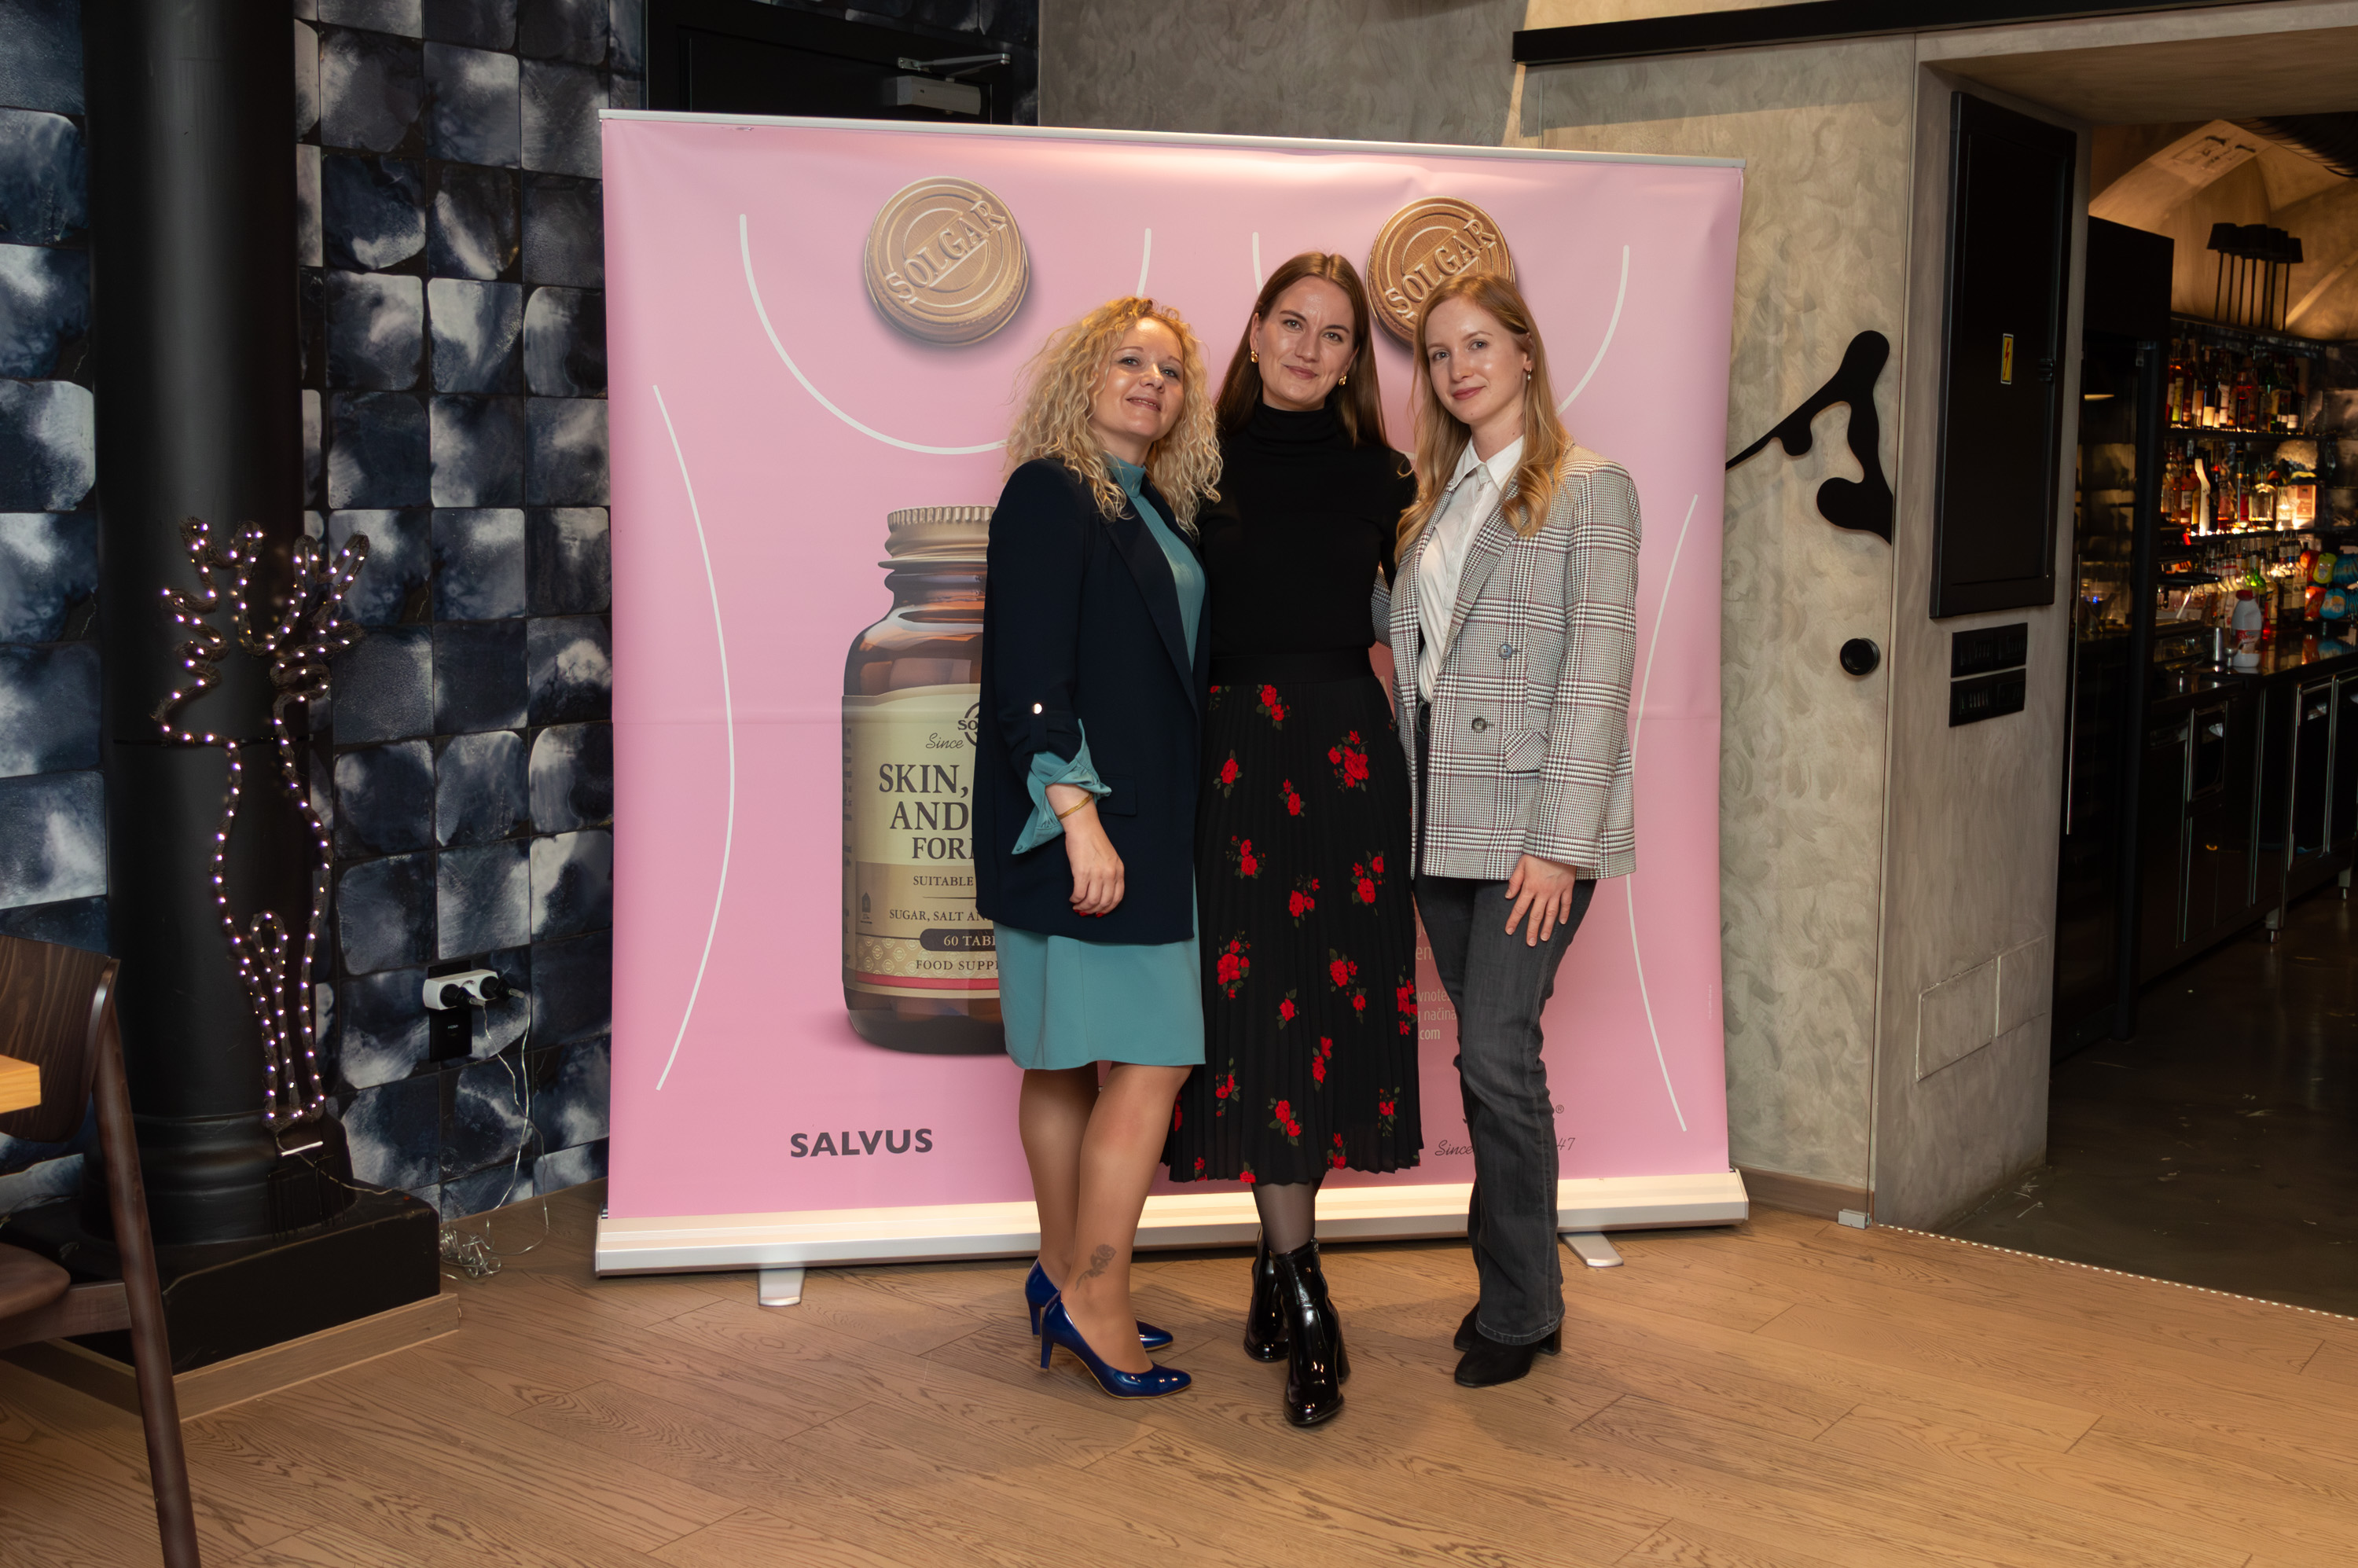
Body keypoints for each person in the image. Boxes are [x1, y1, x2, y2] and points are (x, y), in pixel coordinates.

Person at [1163, 252, 1420, 1428]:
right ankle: (1305, 1289)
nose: (1311, 349)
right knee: (1258, 1014)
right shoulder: (1191, 462)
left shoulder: (1388, 475)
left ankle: (1279, 1265)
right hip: (1230, 757)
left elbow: (1427, 624)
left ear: (1353, 356)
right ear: (1257, 331)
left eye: (1336, 333)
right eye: (1293, 323)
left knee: (1330, 1009)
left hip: (1351, 757)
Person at [1385, 272, 1640, 1389]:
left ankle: (1524, 1309)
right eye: (1440, 354)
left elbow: (1598, 671)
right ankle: (1513, 1283)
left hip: (1533, 827)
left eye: (1479, 344)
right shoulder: (1434, 502)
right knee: (1485, 1061)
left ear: (1527, 353)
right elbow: (1417, 658)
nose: (1460, 368)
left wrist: (1560, 843)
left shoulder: (1591, 487)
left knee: (1496, 1052)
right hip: (1437, 817)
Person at [975, 296, 1220, 1399]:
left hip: (1145, 821)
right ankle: (1097, 1296)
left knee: (1070, 1060)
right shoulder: (1050, 491)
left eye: (1170, 371)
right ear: (1084, 378)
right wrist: (1077, 819)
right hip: (1079, 824)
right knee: (1149, 1057)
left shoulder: (1155, 505)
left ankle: (1059, 1273)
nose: (1151, 381)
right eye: (1129, 360)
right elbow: (1030, 670)